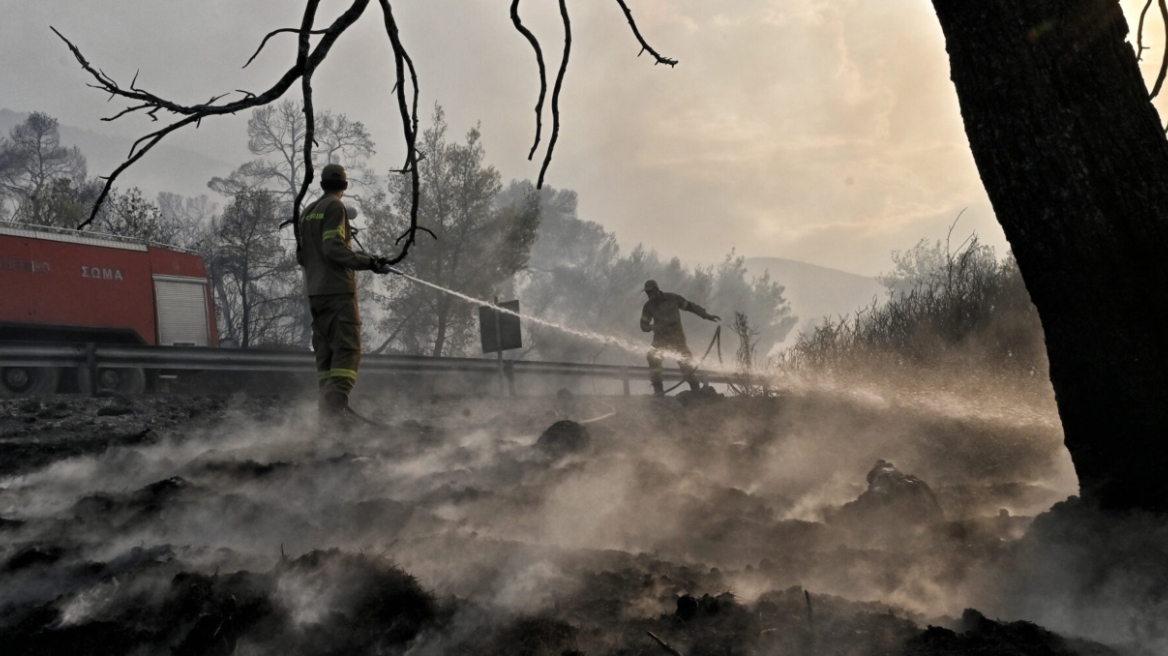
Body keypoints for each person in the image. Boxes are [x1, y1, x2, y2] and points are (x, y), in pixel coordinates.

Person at [296, 163, 393, 424]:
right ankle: (334, 403)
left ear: (322, 184)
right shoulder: (336, 208)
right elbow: (333, 250)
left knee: (326, 353)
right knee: (348, 349)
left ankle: (327, 418)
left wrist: (350, 245)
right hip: (338, 292)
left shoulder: (307, 212)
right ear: (345, 186)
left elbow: (302, 256)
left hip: (315, 294)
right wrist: (370, 262)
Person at [639, 279, 720, 395]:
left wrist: (705, 315)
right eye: (647, 293)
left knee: (687, 366)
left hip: (677, 340)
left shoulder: (673, 299)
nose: (649, 295)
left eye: (651, 292)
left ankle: (696, 392)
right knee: (653, 359)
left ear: (657, 290)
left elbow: (691, 306)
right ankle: (658, 393)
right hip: (660, 340)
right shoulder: (648, 307)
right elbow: (643, 325)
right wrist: (651, 327)